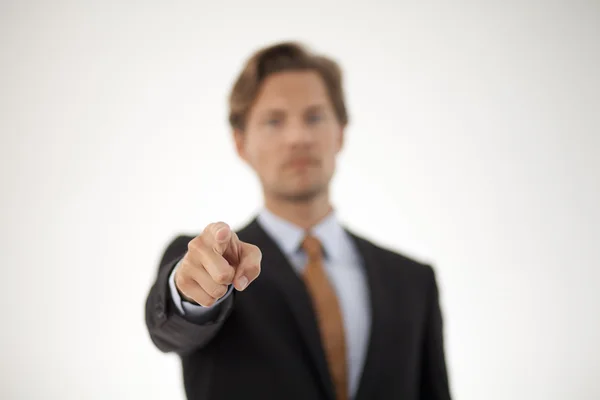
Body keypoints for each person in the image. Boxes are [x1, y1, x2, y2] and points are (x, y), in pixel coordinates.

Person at [145, 41, 452, 400]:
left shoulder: (413, 282)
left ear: (340, 132)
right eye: (274, 120)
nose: (298, 137)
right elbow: (172, 329)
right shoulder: (213, 265)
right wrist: (191, 293)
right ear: (241, 143)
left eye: (315, 117)